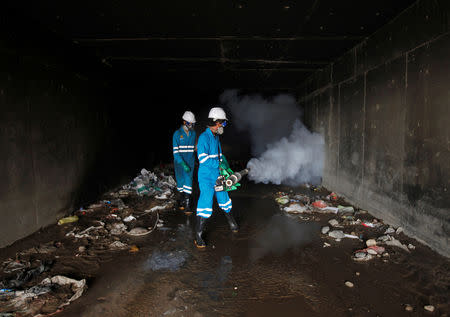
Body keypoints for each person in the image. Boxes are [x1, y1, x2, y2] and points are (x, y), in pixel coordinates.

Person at [195, 107, 238, 249]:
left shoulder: (216, 137)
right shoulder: (203, 138)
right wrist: (218, 165)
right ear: (216, 122)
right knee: (206, 202)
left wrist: (224, 165)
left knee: (224, 197)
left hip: (217, 175)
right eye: (223, 123)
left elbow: (219, 156)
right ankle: (198, 234)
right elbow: (203, 159)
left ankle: (232, 222)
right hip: (206, 176)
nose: (224, 126)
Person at [172, 111, 196, 214]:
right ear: (184, 122)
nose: (191, 125)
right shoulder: (177, 134)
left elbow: (193, 148)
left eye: (192, 123)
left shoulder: (193, 134)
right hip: (179, 163)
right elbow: (176, 152)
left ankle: (187, 204)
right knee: (181, 182)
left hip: (190, 162)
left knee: (188, 181)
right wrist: (182, 163)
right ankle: (181, 200)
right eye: (189, 123)